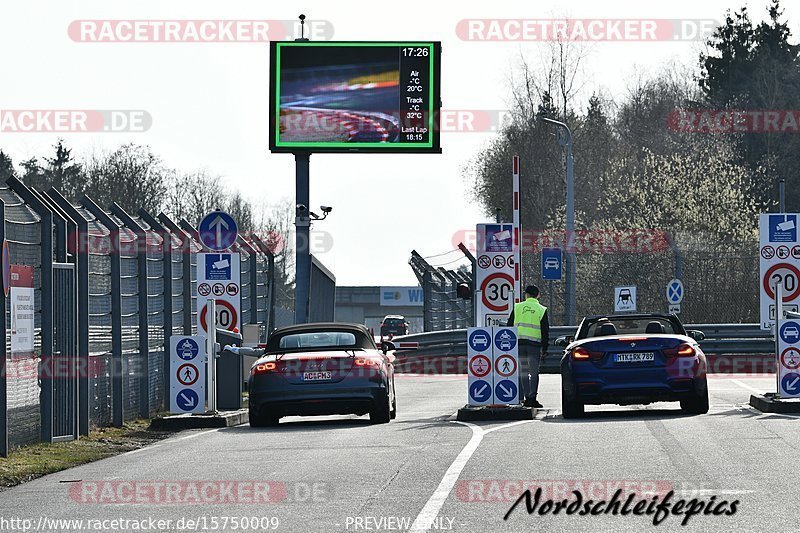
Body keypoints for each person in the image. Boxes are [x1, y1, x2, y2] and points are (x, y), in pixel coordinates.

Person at [507, 285, 549, 408]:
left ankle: (526, 397)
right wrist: (545, 348)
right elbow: (545, 330)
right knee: (534, 372)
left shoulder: (517, 307)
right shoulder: (541, 309)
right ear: (538, 295)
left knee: (523, 371)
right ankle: (532, 398)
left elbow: (509, 326)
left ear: (526, 295)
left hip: (519, 344)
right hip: (534, 345)